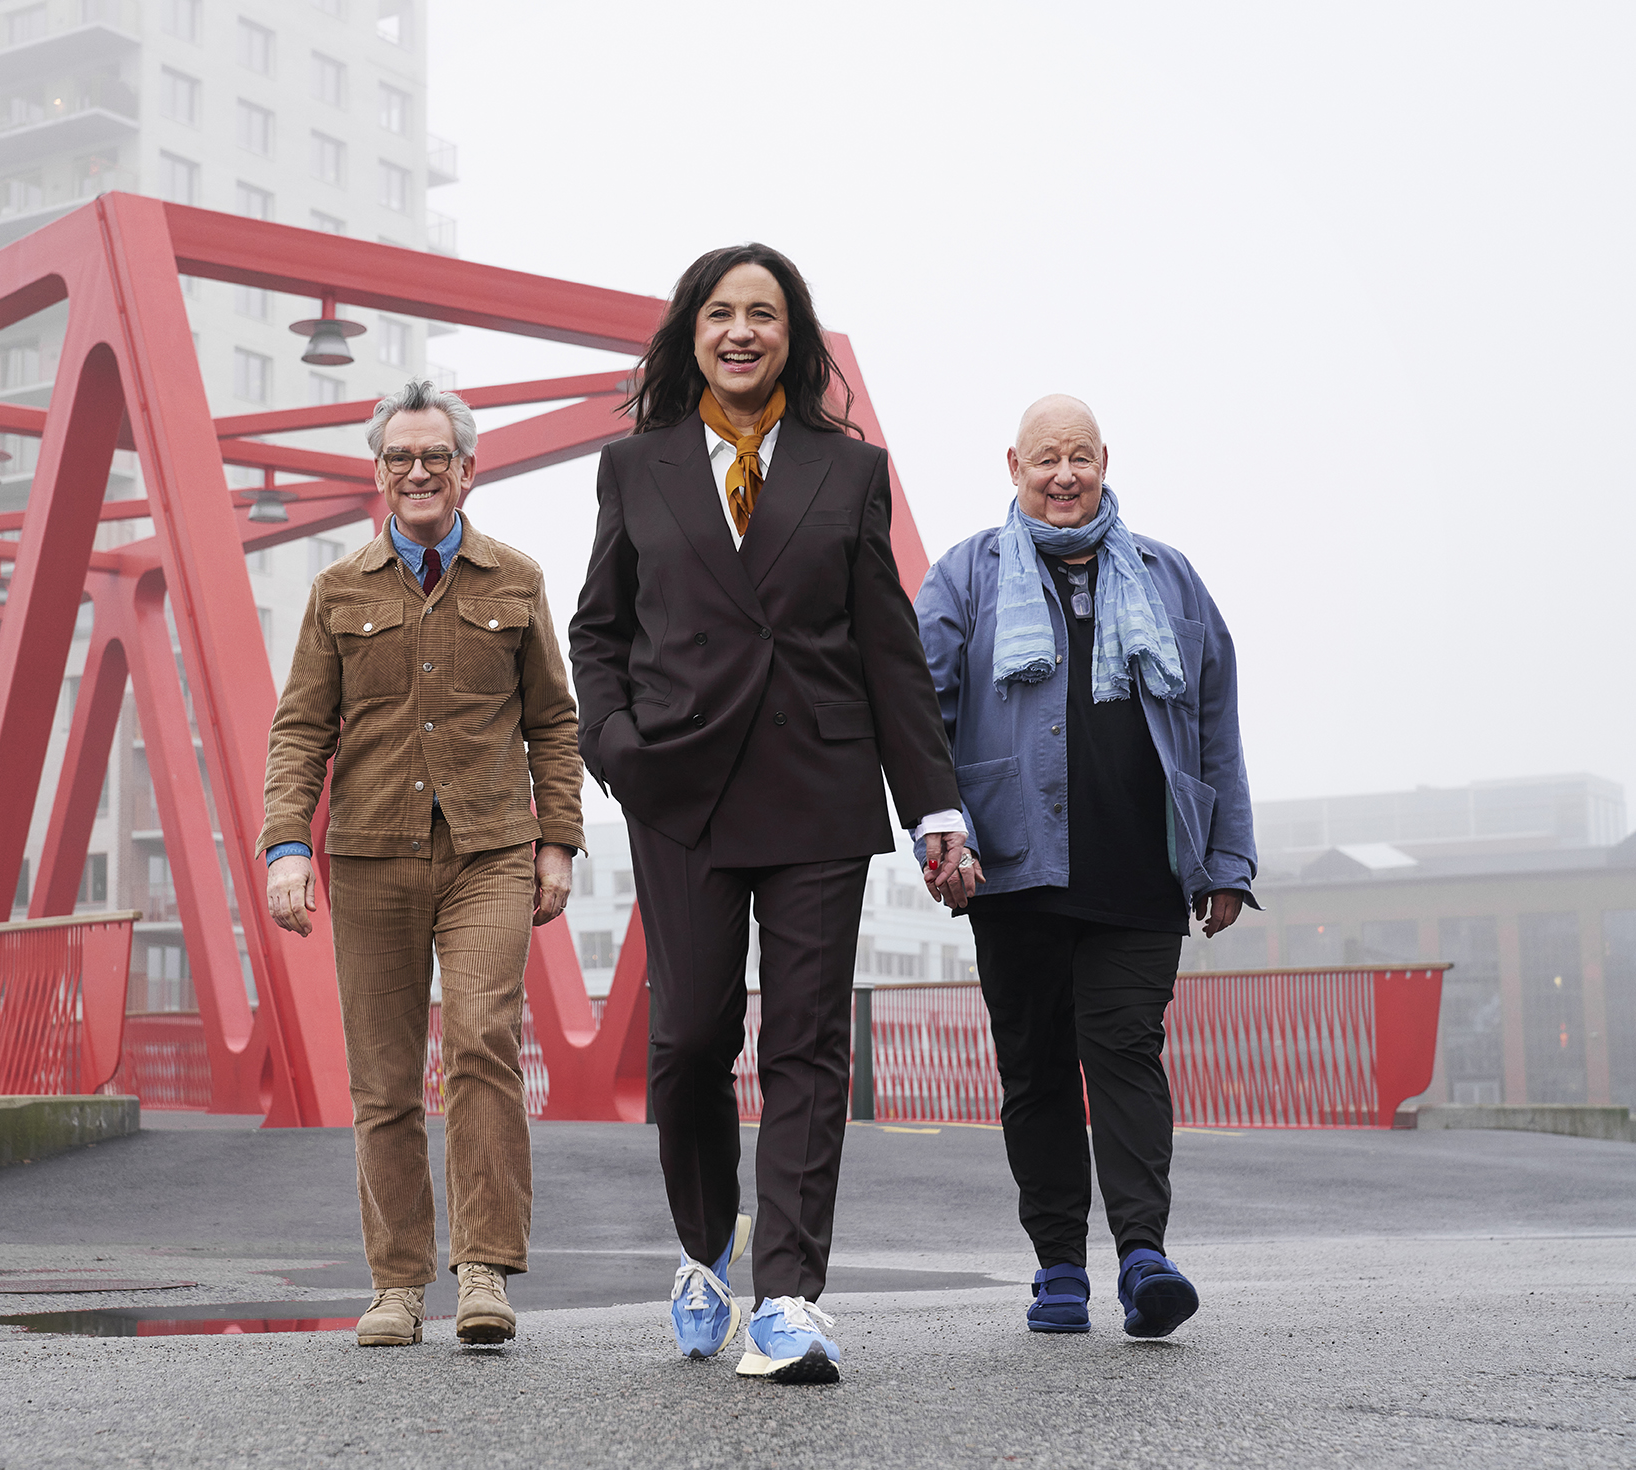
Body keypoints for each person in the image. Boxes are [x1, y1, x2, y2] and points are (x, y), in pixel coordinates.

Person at [570, 244, 965, 1384]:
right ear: (691, 330)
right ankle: (702, 1254)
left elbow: (889, 653)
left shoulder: (850, 474)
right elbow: (599, 630)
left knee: (806, 1047)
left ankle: (787, 1294)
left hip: (818, 785)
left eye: (767, 315)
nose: (743, 331)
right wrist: (617, 746)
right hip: (679, 787)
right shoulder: (633, 467)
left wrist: (934, 805)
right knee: (692, 1039)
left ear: (795, 338)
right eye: (722, 312)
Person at [914, 394, 1257, 1339]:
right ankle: (1058, 1265)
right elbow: (916, 713)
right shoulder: (966, 576)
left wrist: (1224, 856)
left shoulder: (1167, 578)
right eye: (1043, 460)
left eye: (1079, 458)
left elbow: (1214, 721)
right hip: (1012, 870)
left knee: (1125, 1054)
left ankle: (1143, 1255)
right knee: (1032, 1069)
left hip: (1140, 869)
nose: (1063, 476)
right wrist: (937, 831)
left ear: (1104, 460)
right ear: (1012, 466)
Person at [258, 379, 585, 1349]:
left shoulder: (516, 581)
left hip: (489, 850)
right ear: (380, 472)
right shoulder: (338, 590)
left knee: (482, 1041)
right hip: (367, 854)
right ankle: (397, 1285)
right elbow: (299, 730)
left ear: (467, 468)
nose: (417, 471)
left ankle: (483, 1269)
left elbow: (554, 724)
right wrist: (286, 846)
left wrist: (556, 841)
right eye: (399, 457)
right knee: (385, 1082)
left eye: (434, 455)